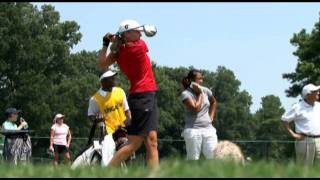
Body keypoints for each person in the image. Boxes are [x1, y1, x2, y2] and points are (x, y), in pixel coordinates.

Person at [98, 19, 159, 168]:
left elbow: (101, 63)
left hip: (143, 96)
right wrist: (116, 39)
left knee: (151, 140)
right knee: (133, 144)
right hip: (143, 96)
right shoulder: (139, 47)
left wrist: (107, 43)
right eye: (136, 31)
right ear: (127, 34)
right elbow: (142, 39)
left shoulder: (118, 53)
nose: (140, 33)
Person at [87, 70, 131, 167]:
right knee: (112, 158)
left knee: (129, 153)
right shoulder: (95, 99)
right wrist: (97, 119)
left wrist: (130, 121)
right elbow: (91, 116)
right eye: (111, 78)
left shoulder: (120, 91)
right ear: (103, 81)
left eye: (114, 77)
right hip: (108, 133)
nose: (115, 79)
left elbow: (127, 110)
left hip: (124, 129)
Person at [180, 69, 218, 160]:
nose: (201, 81)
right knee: (193, 159)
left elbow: (213, 102)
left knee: (214, 158)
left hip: (208, 129)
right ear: (191, 80)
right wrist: (200, 94)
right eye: (199, 79)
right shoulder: (185, 94)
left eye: (202, 79)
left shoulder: (206, 90)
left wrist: (211, 117)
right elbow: (196, 108)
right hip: (193, 130)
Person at [281, 83, 320, 165]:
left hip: (319, 140)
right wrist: (293, 134)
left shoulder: (318, 106)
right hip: (304, 141)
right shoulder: (297, 107)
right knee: (305, 170)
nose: (318, 92)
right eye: (315, 91)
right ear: (308, 95)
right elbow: (284, 119)